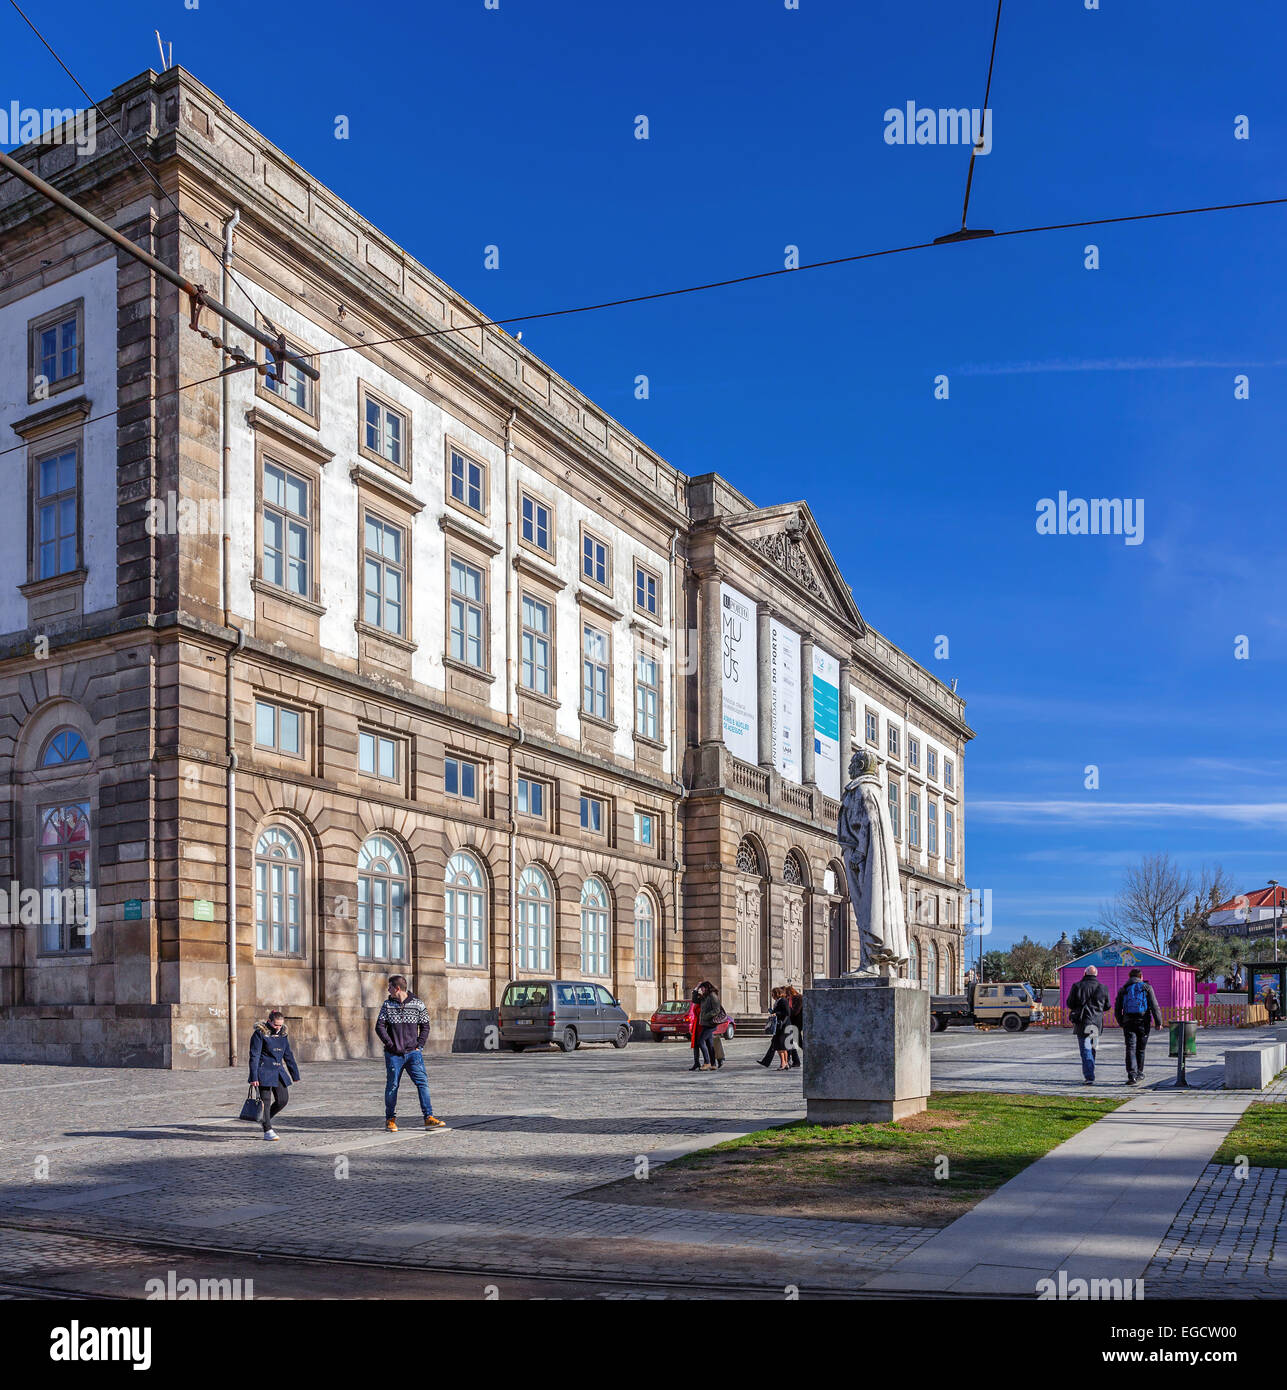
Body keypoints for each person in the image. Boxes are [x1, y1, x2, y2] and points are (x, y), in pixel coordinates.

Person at [375, 974, 448, 1131]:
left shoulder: (417, 1004)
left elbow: (425, 1026)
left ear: (397, 988)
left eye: (390, 987)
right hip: (393, 1055)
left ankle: (428, 1117)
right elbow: (379, 1026)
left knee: (422, 1084)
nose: (388, 990)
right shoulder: (387, 1005)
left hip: (413, 1054)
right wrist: (390, 1044)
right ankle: (390, 1120)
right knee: (393, 1085)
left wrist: (419, 1046)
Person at [247, 1009, 300, 1141]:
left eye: (280, 1025)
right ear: (269, 1021)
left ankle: (264, 1119)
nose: (278, 1027)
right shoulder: (259, 1034)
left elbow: (288, 1055)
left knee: (283, 1100)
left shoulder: (283, 1034)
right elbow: (254, 1056)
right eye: (276, 1024)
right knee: (265, 1101)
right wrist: (254, 1077)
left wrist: (295, 1073)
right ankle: (268, 1130)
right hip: (263, 1071)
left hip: (278, 1072)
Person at [1113, 967, 1163, 1085]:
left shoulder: (1123, 989)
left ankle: (1132, 1075)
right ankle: (1139, 1073)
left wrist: (1121, 1022)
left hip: (1128, 1021)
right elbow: (1154, 1006)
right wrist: (1158, 1022)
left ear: (1129, 977)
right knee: (1140, 1048)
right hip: (1143, 1021)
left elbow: (1117, 1008)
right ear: (1141, 977)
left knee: (1130, 1047)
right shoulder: (1146, 988)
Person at [1065, 965, 1110, 1086]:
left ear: (1084, 973)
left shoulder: (1077, 986)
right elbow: (1107, 1006)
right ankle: (1090, 1072)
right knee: (1092, 1048)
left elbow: (1070, 1003)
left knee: (1085, 1050)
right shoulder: (1103, 988)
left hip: (1082, 1023)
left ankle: (1089, 1076)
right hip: (1096, 1023)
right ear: (1096, 975)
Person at [757, 986, 791, 1070]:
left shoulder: (783, 1000)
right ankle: (786, 1063)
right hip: (781, 1025)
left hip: (782, 1025)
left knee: (779, 1045)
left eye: (773, 994)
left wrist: (776, 1013)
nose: (772, 996)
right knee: (782, 1045)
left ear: (777, 994)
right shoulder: (779, 1001)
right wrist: (773, 1012)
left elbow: (787, 1012)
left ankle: (783, 1064)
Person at [695, 981, 726, 1071]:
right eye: (701, 988)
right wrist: (696, 989)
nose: (701, 989)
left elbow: (716, 1010)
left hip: (711, 1023)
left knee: (700, 1041)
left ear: (707, 987)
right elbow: (695, 1000)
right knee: (709, 1044)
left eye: (702, 988)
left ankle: (707, 1062)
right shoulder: (704, 996)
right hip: (705, 1023)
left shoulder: (713, 996)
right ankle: (713, 1064)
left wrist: (706, 1016)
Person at [786, 985, 804, 1067]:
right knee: (792, 1042)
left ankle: (811, 1054)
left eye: (787, 994)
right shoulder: (789, 999)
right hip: (792, 1023)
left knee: (798, 1042)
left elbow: (796, 1011)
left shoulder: (799, 998)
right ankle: (795, 1061)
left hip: (798, 1022)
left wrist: (788, 1012)